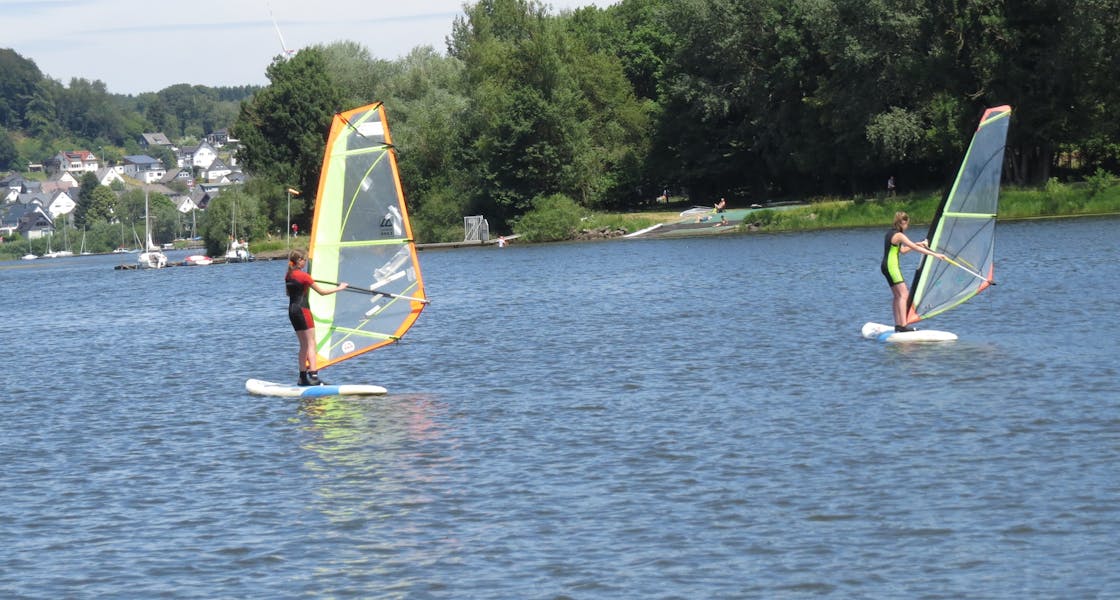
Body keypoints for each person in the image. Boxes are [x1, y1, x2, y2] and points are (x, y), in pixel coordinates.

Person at [286, 249, 348, 385]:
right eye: (304, 260)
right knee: (311, 343)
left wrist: (307, 283)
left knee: (303, 345)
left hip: (292, 311)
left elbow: (289, 293)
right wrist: (340, 288)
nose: (305, 262)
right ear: (299, 261)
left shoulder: (289, 275)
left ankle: (302, 377)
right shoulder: (304, 277)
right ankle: (313, 376)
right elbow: (322, 292)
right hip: (303, 310)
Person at [881, 211, 945, 332]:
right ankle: (903, 326)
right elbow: (915, 248)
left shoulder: (890, 233)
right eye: (907, 224)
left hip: (886, 266)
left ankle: (898, 324)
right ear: (903, 222)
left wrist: (917, 244)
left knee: (897, 296)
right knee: (903, 295)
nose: (907, 226)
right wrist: (935, 254)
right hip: (892, 267)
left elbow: (903, 250)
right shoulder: (899, 235)